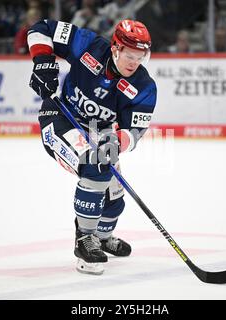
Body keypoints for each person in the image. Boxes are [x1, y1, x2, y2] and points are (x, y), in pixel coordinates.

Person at [27, 19, 157, 275]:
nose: (134, 62)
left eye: (140, 56)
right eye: (129, 55)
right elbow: (41, 28)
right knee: (94, 166)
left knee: (114, 201)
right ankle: (84, 240)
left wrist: (119, 141)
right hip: (60, 118)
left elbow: (135, 130)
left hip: (101, 133)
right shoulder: (87, 45)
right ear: (115, 48)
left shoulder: (143, 86)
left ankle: (101, 236)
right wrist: (42, 63)